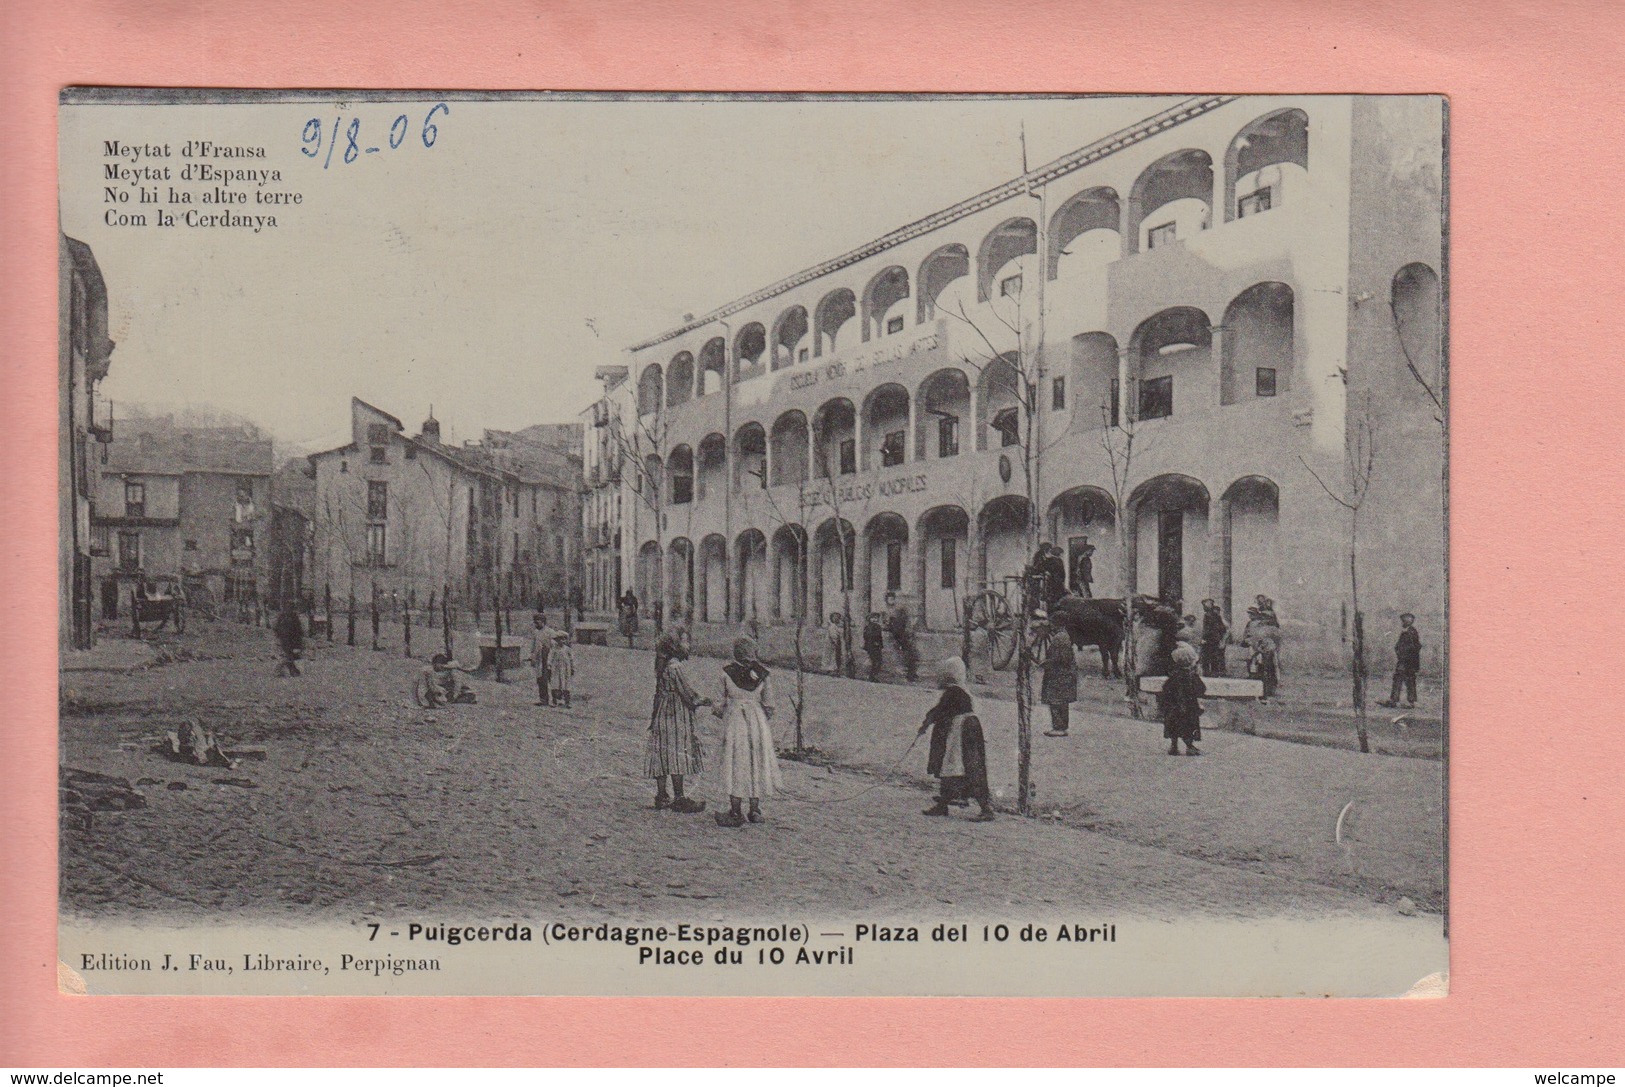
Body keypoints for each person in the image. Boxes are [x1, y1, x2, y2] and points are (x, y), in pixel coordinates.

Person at [713, 637, 782, 827]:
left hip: (735, 721)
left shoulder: (726, 673)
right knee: (755, 761)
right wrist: (760, 717)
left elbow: (719, 705)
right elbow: (769, 704)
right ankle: (755, 809)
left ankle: (735, 810)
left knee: (736, 762)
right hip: (757, 722)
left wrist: (722, 712)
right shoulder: (763, 674)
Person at [918, 658, 994, 821]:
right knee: (960, 766)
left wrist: (925, 724)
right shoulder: (963, 691)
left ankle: (985, 808)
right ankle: (943, 804)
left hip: (962, 731)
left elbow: (939, 711)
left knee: (963, 766)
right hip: (967, 729)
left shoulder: (953, 692)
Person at [646, 629, 709, 813]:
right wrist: (702, 701)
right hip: (675, 712)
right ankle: (679, 797)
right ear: (676, 646)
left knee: (662, 752)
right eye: (685, 641)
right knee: (677, 751)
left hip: (662, 712)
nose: (688, 645)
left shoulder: (663, 665)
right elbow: (686, 692)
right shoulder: (675, 667)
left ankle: (661, 795)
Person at [1159, 639, 1206, 756]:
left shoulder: (1173, 676)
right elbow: (1201, 689)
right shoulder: (1192, 676)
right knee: (1188, 727)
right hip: (1188, 707)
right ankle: (1189, 746)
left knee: (1173, 727)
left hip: (1173, 707)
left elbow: (1165, 689)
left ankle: (1173, 746)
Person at [1033, 616, 1078, 737]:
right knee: (1062, 701)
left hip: (1059, 673)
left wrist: (1044, 663)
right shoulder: (1064, 635)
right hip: (1064, 673)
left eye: (1053, 623)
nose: (1051, 626)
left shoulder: (1059, 638)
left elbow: (1058, 658)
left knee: (1055, 699)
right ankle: (1062, 726)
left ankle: (1058, 727)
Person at [1379, 613, 1422, 709]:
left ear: (1407, 622)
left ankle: (1397, 700)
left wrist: (1402, 654)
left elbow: (1413, 647)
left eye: (1403, 621)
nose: (1402, 622)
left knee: (1401, 679)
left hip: (1406, 661)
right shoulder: (1408, 632)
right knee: (1407, 680)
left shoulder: (1410, 632)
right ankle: (1409, 700)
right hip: (1406, 661)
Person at [1241, 606, 1280, 702]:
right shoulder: (1259, 626)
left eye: (1266, 617)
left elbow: (1274, 641)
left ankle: (1268, 689)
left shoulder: (1271, 629)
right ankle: (1263, 688)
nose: (1264, 619)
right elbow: (1251, 637)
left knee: (1267, 670)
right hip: (1260, 650)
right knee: (1261, 669)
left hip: (1267, 651)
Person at [884, 592, 919, 682]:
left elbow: (906, 622)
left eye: (893, 599)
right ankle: (907, 673)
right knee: (900, 655)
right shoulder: (887, 611)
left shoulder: (899, 610)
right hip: (895, 635)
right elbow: (887, 625)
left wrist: (908, 631)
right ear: (887, 600)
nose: (891, 601)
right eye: (889, 599)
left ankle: (911, 674)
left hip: (903, 635)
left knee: (909, 654)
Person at [529, 612, 558, 706]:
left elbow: (555, 646)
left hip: (549, 658)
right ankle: (543, 700)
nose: (536, 624)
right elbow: (533, 647)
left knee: (551, 679)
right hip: (539, 659)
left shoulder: (550, 632)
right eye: (535, 622)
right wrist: (533, 657)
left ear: (543, 622)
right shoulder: (535, 632)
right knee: (541, 679)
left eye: (537, 622)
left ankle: (555, 700)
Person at [274, 603, 305, 677]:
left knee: (289, 656)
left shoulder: (289, 617)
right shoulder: (286, 617)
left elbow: (298, 630)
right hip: (287, 640)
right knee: (288, 656)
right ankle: (289, 671)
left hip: (290, 640)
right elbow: (299, 630)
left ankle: (290, 671)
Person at [1199, 600, 1228, 677]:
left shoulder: (1207, 616)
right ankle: (1214, 674)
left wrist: (1204, 638)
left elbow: (1207, 629)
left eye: (1204, 606)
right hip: (1215, 640)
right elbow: (1222, 628)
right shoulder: (1217, 616)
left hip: (1209, 640)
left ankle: (1207, 674)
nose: (1203, 607)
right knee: (1214, 658)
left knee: (1206, 659)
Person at [548, 630, 574, 707]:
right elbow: (550, 658)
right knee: (555, 684)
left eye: (563, 639)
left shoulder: (567, 649)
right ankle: (554, 701)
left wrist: (572, 667)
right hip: (556, 668)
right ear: (556, 640)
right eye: (559, 640)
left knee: (566, 684)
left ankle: (567, 702)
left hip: (566, 668)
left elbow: (571, 659)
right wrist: (549, 665)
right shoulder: (554, 649)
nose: (561, 641)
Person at [862, 612, 886, 681]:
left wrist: (881, 645)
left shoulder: (878, 626)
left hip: (877, 646)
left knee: (878, 661)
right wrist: (873, 641)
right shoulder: (868, 627)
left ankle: (873, 676)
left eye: (876, 618)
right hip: (871, 645)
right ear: (869, 619)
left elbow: (880, 637)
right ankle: (871, 676)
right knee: (874, 661)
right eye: (873, 618)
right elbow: (866, 636)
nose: (875, 619)